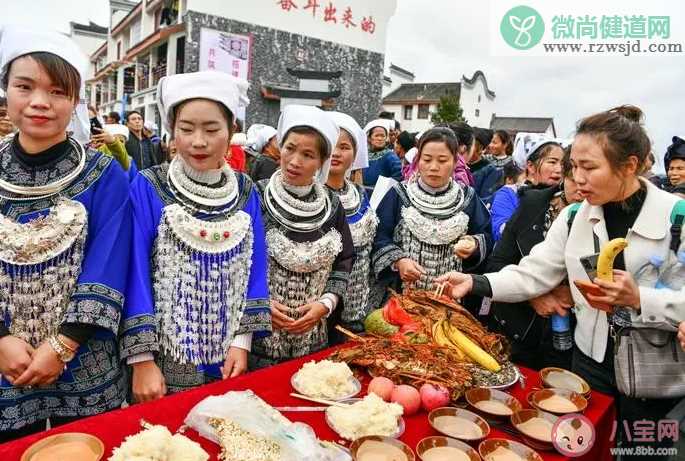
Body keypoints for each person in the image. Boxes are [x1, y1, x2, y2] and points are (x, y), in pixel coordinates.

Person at [437, 105, 683, 461]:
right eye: (574, 168)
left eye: (590, 168)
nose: (577, 179)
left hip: (653, 369)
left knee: (643, 451)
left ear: (629, 166)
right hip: (588, 363)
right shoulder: (573, 218)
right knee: (583, 446)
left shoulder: (676, 218)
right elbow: (533, 272)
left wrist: (640, 298)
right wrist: (474, 283)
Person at [0, 26, 131, 441]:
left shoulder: (104, 174)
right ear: (5, 90)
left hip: (84, 354)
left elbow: (109, 261)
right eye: (25, 87)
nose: (40, 102)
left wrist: (64, 344)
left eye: (58, 91)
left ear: (75, 100)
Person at [121, 71, 271, 400]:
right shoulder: (149, 187)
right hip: (164, 355)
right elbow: (134, 272)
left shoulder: (245, 191)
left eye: (212, 129)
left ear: (232, 129)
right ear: (172, 130)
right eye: (186, 129)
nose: (198, 141)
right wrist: (142, 360)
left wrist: (242, 342)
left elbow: (256, 268)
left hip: (229, 353)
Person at [251, 105, 354, 368]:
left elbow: (344, 261)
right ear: (279, 148)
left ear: (322, 162)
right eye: (290, 148)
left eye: (308, 155)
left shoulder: (332, 205)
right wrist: (259, 304)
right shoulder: (255, 196)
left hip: (313, 339)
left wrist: (326, 304)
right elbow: (238, 262)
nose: (295, 161)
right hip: (257, 339)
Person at [485, 148, 582, 370]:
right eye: (573, 179)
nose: (581, 187)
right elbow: (496, 264)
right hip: (521, 331)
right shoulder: (532, 206)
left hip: (579, 341)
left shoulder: (602, 215)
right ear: (563, 176)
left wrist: (576, 296)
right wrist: (534, 295)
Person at [371, 127, 492, 298]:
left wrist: (474, 244)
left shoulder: (467, 198)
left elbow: (486, 235)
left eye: (442, 160)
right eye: (427, 159)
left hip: (451, 298)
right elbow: (379, 236)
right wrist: (399, 261)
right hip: (401, 296)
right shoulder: (400, 194)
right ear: (418, 160)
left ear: (456, 161)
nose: (434, 167)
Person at [326, 111, 377, 334]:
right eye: (330, 145)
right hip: (321, 303)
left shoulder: (360, 193)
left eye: (344, 147)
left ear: (355, 153)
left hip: (357, 301)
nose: (336, 153)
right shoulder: (309, 195)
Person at [490, 133, 564, 241]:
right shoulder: (510, 194)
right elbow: (500, 233)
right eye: (552, 162)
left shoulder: (565, 196)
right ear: (531, 166)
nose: (559, 169)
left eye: (562, 164)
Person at [362, 118, 403, 195]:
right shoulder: (364, 155)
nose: (380, 138)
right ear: (369, 138)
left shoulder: (391, 157)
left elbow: (397, 178)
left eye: (382, 136)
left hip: (382, 197)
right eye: (376, 135)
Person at [469, 127, 502, 204]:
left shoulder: (490, 170)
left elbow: (485, 199)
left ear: (481, 148)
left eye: (470, 145)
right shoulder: (459, 165)